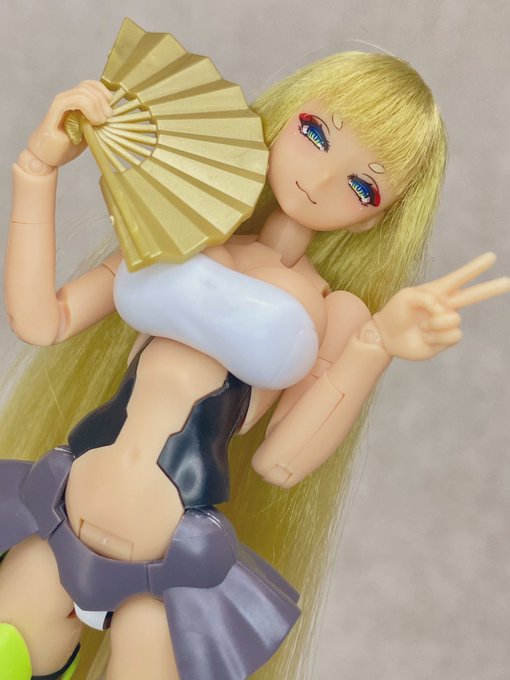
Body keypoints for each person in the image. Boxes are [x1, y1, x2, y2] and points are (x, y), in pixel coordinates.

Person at [0, 51, 507, 680]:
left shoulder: (333, 311)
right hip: (66, 504)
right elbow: (42, 320)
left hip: (167, 562)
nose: (321, 178)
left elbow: (280, 461)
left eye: (362, 186)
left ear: (376, 218)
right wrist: (38, 168)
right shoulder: (186, 227)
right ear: (281, 119)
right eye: (315, 133)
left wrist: (376, 345)